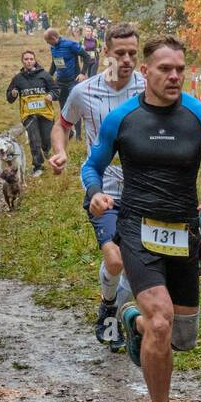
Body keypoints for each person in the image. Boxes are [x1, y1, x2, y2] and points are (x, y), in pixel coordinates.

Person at [80, 34, 201, 402]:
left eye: (180, 69)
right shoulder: (123, 119)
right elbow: (92, 165)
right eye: (165, 69)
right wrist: (94, 193)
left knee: (179, 337)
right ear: (145, 72)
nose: (174, 76)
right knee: (162, 320)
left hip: (184, 230)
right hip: (136, 227)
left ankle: (134, 321)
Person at [50, 22, 145, 352]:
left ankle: (117, 313)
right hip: (101, 189)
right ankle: (108, 306)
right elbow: (61, 125)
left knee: (136, 266)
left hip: (144, 192)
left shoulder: (150, 88)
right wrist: (60, 151)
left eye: (133, 53)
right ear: (105, 52)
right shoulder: (84, 92)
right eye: (120, 53)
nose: (127, 59)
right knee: (115, 260)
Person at [7, 48, 58, 177]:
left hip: (45, 113)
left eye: (31, 59)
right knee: (34, 140)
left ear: (35, 61)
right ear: (22, 61)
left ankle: (46, 150)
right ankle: (38, 166)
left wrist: (51, 95)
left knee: (46, 139)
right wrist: (13, 94)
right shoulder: (18, 78)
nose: (29, 62)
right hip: (28, 115)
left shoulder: (44, 75)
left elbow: (56, 90)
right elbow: (9, 97)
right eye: (26, 59)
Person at [44, 27, 87, 139]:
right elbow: (54, 63)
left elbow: (86, 57)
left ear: (53, 37)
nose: (47, 43)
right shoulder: (53, 47)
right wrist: (48, 77)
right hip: (60, 81)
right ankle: (69, 133)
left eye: (48, 41)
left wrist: (82, 73)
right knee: (63, 108)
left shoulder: (70, 44)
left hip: (73, 80)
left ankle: (78, 135)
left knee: (74, 107)